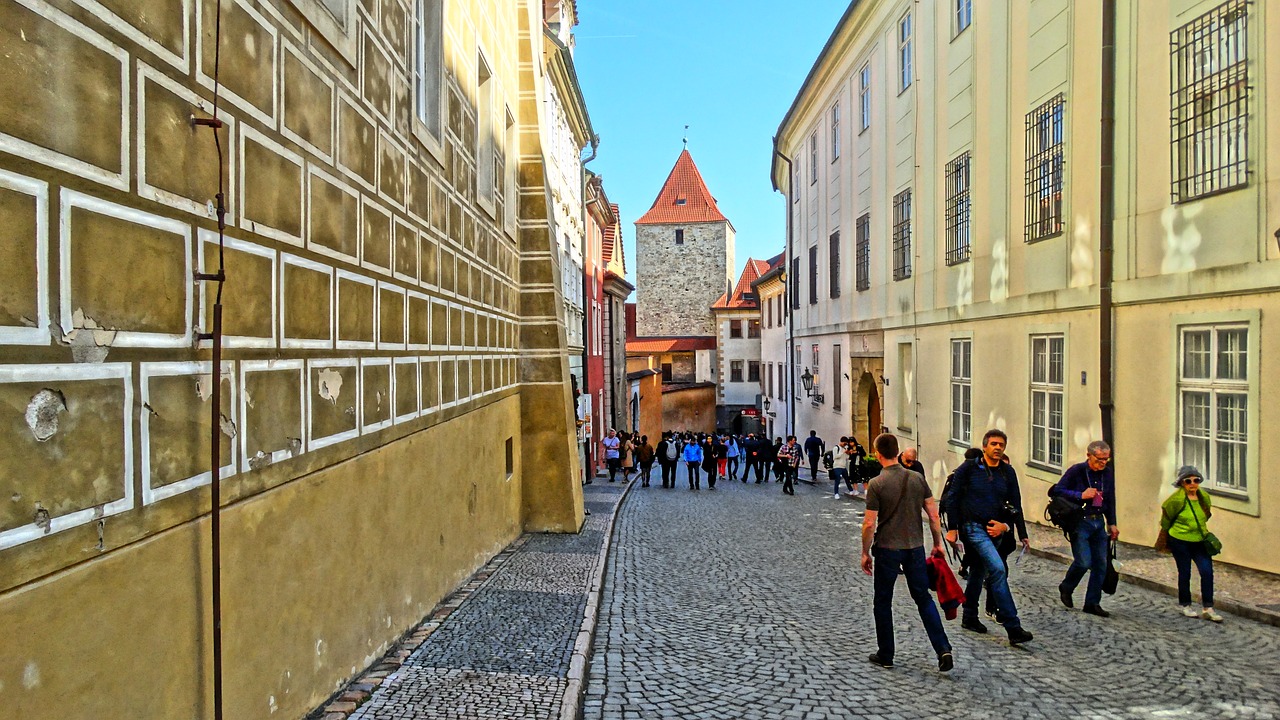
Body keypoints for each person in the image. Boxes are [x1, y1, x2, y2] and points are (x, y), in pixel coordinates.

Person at [861, 432, 953, 672]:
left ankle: (886, 654)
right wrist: (937, 544)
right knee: (923, 598)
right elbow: (933, 516)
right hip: (914, 548)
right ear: (898, 452)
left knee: (883, 600)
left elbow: (869, 524)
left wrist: (864, 552)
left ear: (878, 454)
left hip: (887, 549)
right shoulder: (917, 479)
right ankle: (943, 648)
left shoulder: (876, 484)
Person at [943, 429, 1034, 646]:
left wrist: (1015, 530)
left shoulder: (1008, 472)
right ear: (984, 447)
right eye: (993, 444)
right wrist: (953, 528)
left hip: (997, 528)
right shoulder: (969, 468)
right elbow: (953, 497)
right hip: (973, 528)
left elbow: (1015, 504)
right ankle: (1013, 626)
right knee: (998, 569)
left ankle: (970, 616)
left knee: (978, 570)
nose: (997, 448)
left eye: (1001, 444)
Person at [1050, 440, 1119, 617]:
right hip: (1080, 521)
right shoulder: (1077, 471)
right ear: (1089, 456)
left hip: (1098, 521)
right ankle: (1067, 586)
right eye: (1099, 459)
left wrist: (1112, 523)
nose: (1103, 462)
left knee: (1101, 564)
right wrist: (1080, 495)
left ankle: (1092, 603)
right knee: (1083, 561)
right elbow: (1057, 490)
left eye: (1106, 459)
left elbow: (1110, 499)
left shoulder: (1108, 473)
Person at [1157, 466, 1223, 622]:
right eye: (1188, 481)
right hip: (1180, 541)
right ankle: (1186, 605)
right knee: (1185, 572)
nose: (1193, 484)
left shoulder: (1203, 497)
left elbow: (1206, 515)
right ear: (1182, 483)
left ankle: (1208, 608)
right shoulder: (1175, 501)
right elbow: (1166, 521)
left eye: (1196, 480)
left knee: (1207, 572)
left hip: (1200, 540)